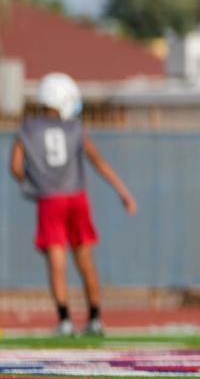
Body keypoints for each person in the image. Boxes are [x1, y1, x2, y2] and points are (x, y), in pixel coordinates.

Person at [9, 72, 137, 336]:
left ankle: (65, 320)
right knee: (85, 258)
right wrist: (123, 191)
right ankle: (95, 317)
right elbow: (98, 161)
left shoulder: (28, 129)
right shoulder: (76, 128)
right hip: (76, 198)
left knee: (57, 262)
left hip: (50, 201)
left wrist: (34, 182)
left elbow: (15, 166)